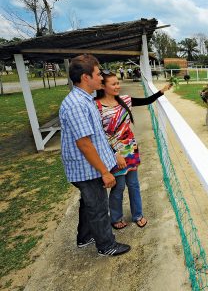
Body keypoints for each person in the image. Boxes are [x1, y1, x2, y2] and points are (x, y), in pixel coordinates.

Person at [59, 54, 131, 256]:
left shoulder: (86, 99)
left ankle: (85, 237)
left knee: (88, 203)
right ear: (85, 77)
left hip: (92, 166)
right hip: (87, 169)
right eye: (98, 74)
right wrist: (104, 172)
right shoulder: (76, 104)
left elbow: (97, 136)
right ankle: (106, 246)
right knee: (98, 207)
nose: (102, 78)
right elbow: (84, 143)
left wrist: (112, 154)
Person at [95, 71, 171, 229]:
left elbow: (147, 101)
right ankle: (116, 218)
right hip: (113, 153)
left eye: (118, 83)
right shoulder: (96, 106)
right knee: (119, 186)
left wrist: (161, 91)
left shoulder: (125, 100)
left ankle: (138, 214)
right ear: (103, 86)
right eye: (113, 84)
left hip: (130, 148)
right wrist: (115, 154)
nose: (118, 86)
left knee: (134, 184)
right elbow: (98, 135)